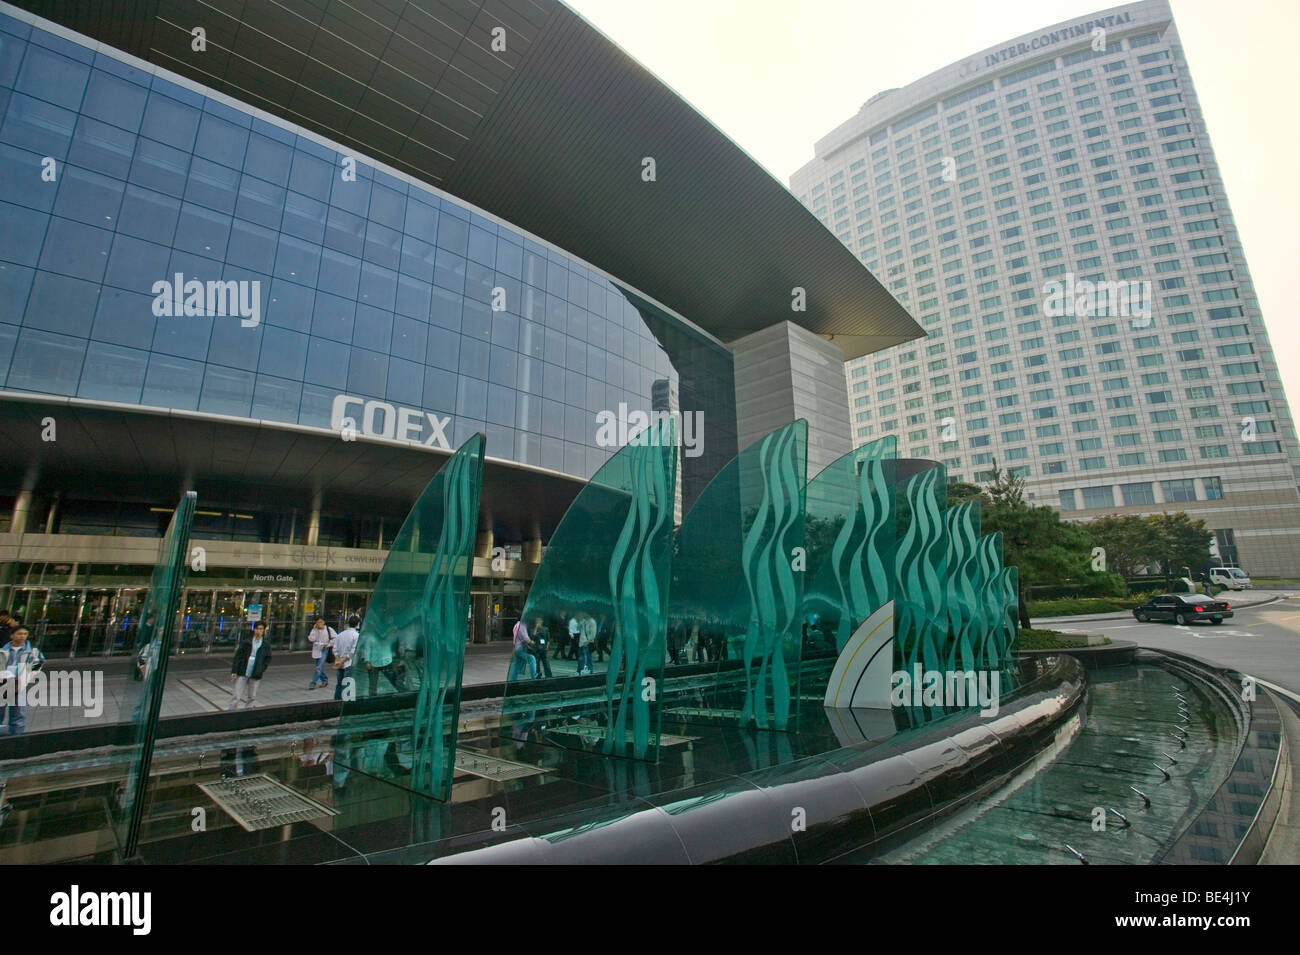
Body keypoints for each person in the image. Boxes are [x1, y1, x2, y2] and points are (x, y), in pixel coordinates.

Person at [0, 626, 43, 735]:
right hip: (3, 683)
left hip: (19, 684)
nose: (22, 636)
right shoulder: (2, 651)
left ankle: (16, 736)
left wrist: (27, 678)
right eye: (19, 634)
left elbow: (37, 666)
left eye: (25, 634)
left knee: (18, 712)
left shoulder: (33, 652)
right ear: (12, 636)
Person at [228, 621, 271, 709]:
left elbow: (268, 658)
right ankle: (231, 712)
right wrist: (234, 671)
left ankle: (248, 712)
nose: (259, 631)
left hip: (256, 672)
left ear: (263, 631)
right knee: (236, 695)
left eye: (261, 629)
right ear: (254, 629)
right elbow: (238, 656)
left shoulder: (265, 644)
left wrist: (262, 668)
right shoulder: (247, 642)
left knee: (252, 696)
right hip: (243, 670)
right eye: (257, 629)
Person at [332, 614, 361, 701]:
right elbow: (353, 652)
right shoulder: (356, 635)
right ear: (358, 624)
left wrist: (338, 660)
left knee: (339, 683)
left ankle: (336, 701)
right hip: (349, 663)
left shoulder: (340, 634)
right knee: (348, 685)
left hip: (340, 663)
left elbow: (335, 649)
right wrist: (343, 661)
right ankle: (346, 704)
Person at [307, 617, 336, 689]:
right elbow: (311, 639)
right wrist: (314, 630)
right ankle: (325, 680)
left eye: (321, 622)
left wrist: (329, 644)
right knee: (319, 667)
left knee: (319, 667)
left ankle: (313, 683)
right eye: (318, 622)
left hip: (324, 649)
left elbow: (336, 638)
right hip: (316, 649)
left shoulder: (328, 629)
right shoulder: (314, 630)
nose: (319, 624)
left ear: (323, 622)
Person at [577, 612, 596, 676]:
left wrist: (588, 641)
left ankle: (588, 673)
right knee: (580, 659)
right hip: (581, 643)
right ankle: (580, 672)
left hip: (587, 644)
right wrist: (580, 621)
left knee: (587, 660)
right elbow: (578, 629)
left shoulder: (592, 622)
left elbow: (593, 634)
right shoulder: (583, 621)